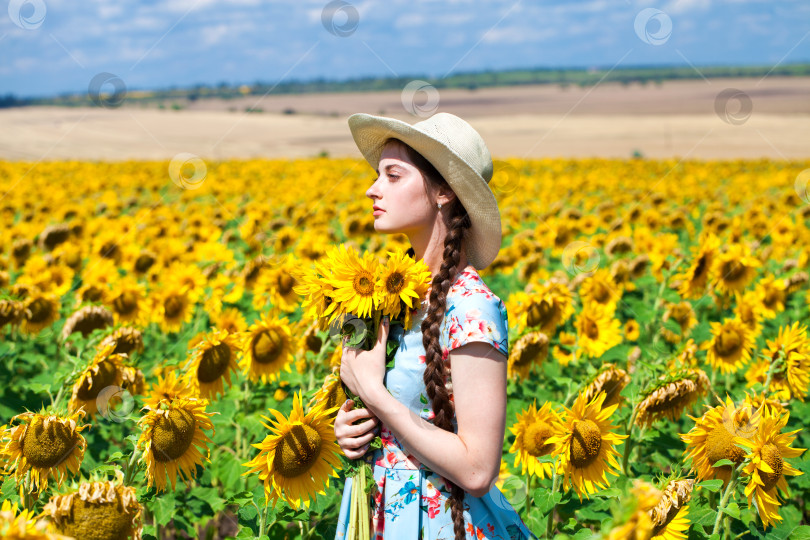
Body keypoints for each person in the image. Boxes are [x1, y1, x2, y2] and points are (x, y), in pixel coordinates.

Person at [334, 112, 537, 540]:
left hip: (441, 524)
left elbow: (479, 470)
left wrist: (374, 394)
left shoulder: (472, 309)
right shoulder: (390, 297)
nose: (372, 189)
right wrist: (350, 428)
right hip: (377, 514)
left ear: (444, 190)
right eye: (377, 175)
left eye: (392, 175)